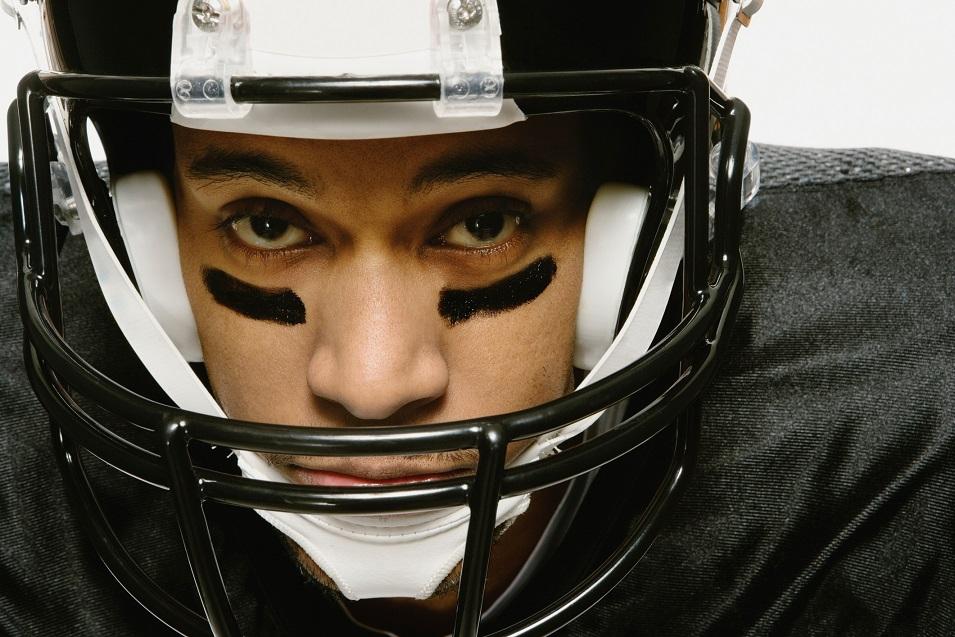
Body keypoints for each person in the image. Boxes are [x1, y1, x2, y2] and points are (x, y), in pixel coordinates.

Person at [3, 1, 954, 636]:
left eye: (481, 220)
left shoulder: (914, 405)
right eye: (266, 221)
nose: (371, 383)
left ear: (642, 231)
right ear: (146, 246)